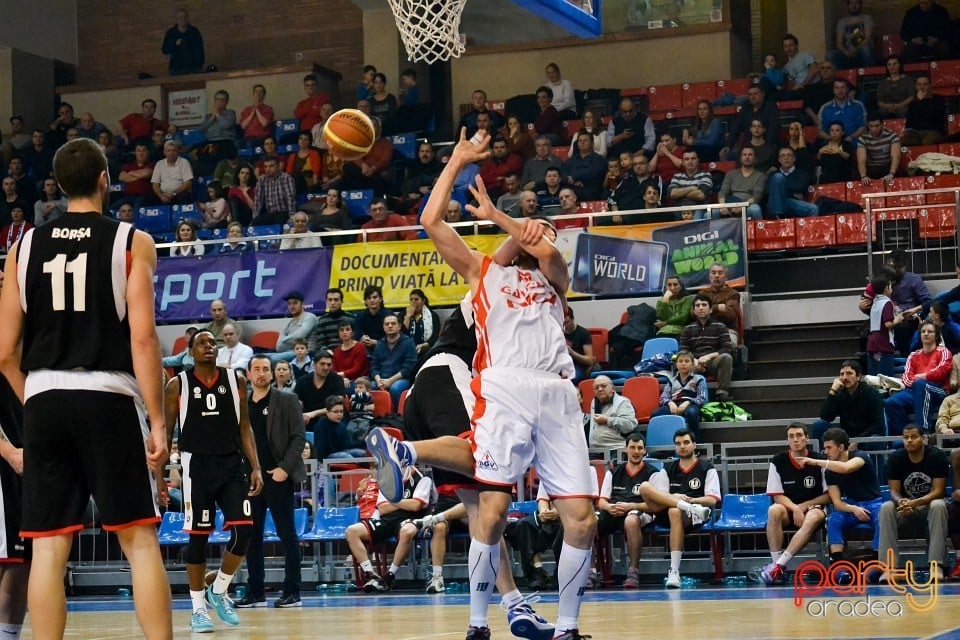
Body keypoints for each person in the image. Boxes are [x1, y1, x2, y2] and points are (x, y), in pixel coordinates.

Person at [368, 129, 596, 640]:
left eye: (543, 230)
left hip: (558, 393)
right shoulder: (482, 272)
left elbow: (550, 253)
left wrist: (504, 217)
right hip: (504, 388)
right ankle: (477, 623)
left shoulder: (556, 281)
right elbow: (430, 220)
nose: (539, 234)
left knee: (580, 518)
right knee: (490, 512)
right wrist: (457, 162)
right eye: (531, 229)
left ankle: (567, 629)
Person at [0, 138, 172, 639]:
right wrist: (157, 419)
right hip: (108, 395)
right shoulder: (131, 241)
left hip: (45, 400)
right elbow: (142, 337)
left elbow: (6, 351)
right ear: (104, 179)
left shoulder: (22, 247)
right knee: (139, 540)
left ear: (57, 184)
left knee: (49, 547)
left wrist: (32, 393)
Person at [371, 292, 557, 638]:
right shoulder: (489, 289)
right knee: (478, 457)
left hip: (423, 395)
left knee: (483, 512)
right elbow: (503, 257)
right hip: (446, 375)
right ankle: (403, 451)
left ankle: (502, 611)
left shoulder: (513, 333)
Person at [163, 330, 262, 633]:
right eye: (202, 344)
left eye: (212, 343)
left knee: (244, 530)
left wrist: (256, 466)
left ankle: (217, 591)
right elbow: (167, 434)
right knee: (198, 536)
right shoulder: (177, 384)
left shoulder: (237, 381)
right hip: (196, 465)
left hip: (231, 463)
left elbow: (245, 426)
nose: (209, 347)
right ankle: (197, 610)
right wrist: (161, 476)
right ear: (190, 352)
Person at [234, 354, 305, 608]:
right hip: (251, 479)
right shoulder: (241, 404)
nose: (262, 373)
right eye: (257, 369)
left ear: (273, 374)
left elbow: (299, 438)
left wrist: (284, 469)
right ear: (249, 375)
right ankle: (256, 592)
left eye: (266, 369)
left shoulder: (286, 399)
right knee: (251, 537)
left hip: (277, 477)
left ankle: (292, 591)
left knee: (287, 535)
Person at [639, 428, 718, 588]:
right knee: (645, 487)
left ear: (694, 445)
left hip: (693, 512)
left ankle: (673, 570)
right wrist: (675, 498)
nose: (682, 446)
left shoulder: (706, 467)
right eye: (678, 443)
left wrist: (691, 499)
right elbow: (661, 497)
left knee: (675, 511)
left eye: (686, 442)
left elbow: (712, 500)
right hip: (665, 510)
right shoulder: (667, 468)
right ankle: (680, 503)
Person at [753, 423, 830, 585]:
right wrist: (795, 508)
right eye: (791, 436)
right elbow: (777, 495)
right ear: (787, 441)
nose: (796, 440)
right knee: (774, 510)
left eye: (799, 435)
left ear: (806, 438)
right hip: (789, 509)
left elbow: (828, 496)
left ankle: (780, 565)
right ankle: (776, 567)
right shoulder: (778, 461)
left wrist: (804, 506)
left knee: (814, 515)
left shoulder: (820, 460)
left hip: (813, 509)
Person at [802, 427, 883, 576]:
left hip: (874, 503)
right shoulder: (829, 471)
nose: (825, 451)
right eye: (824, 447)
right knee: (833, 518)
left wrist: (815, 462)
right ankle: (838, 564)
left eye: (828, 447)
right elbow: (837, 503)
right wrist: (853, 509)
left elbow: (846, 468)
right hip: (852, 504)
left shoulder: (860, 456)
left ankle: (877, 561)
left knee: (882, 516)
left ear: (841, 447)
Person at [345, 466, 435, 593]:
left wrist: (393, 500)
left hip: (410, 519)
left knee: (407, 531)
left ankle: (389, 576)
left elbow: (416, 505)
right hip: (386, 520)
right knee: (352, 531)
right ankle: (370, 574)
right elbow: (382, 508)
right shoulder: (387, 479)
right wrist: (405, 503)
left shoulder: (423, 478)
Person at [878, 423, 948, 581]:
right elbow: (894, 491)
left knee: (939, 505)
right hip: (905, 508)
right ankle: (889, 568)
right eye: (906, 437)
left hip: (928, 506)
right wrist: (901, 501)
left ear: (923, 439)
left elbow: (939, 491)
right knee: (886, 508)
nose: (909, 440)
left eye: (914, 437)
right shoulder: (896, 458)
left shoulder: (936, 456)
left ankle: (935, 565)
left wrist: (914, 503)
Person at [595, 432, 656, 589]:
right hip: (614, 510)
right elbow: (602, 501)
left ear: (645, 451)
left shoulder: (653, 472)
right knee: (589, 522)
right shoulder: (613, 471)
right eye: (632, 447)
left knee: (631, 520)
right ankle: (591, 571)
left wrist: (631, 507)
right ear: (625, 449)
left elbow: (656, 506)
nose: (636, 451)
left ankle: (633, 571)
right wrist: (609, 507)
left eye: (639, 448)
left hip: (639, 511)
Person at [884, 321, 951, 434]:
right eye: (923, 331)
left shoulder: (943, 351)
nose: (926, 334)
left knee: (920, 385)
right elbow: (906, 379)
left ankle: (922, 432)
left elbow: (942, 372)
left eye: (930, 331)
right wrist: (921, 379)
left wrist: (923, 376)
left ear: (936, 335)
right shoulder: (913, 355)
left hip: (939, 391)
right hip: (916, 390)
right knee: (891, 402)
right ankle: (904, 437)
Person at [812, 359, 886, 442]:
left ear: (858, 377)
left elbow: (878, 425)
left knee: (875, 440)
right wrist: (832, 391)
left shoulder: (872, 393)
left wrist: (858, 441)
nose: (845, 377)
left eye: (849, 373)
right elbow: (826, 417)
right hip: (846, 438)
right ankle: (825, 454)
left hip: (866, 437)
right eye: (842, 374)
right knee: (819, 425)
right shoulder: (840, 394)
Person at [679, 295, 735, 402]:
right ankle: (687, 397)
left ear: (710, 310)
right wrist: (694, 361)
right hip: (695, 363)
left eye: (704, 305)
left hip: (713, 362)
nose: (700, 308)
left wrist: (708, 357)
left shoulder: (720, 326)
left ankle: (722, 392)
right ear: (694, 311)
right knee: (683, 363)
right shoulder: (687, 329)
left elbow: (727, 348)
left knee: (726, 357)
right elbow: (683, 350)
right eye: (697, 306)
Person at [652, 350, 708, 437]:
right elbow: (663, 398)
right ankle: (663, 440)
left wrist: (688, 402)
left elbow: (702, 398)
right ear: (676, 365)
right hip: (674, 404)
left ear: (693, 365)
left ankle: (696, 442)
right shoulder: (671, 380)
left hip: (691, 405)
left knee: (692, 413)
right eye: (680, 361)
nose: (683, 364)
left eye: (687, 361)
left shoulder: (698, 379)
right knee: (655, 414)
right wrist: (670, 403)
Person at [371, 314, 417, 409]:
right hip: (382, 379)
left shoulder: (408, 343)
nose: (390, 326)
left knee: (395, 388)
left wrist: (390, 381)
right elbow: (374, 366)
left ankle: (398, 415)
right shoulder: (379, 344)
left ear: (399, 326)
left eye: (393, 323)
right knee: (369, 386)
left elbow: (409, 368)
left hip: (402, 379)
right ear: (383, 327)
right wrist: (378, 380)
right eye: (387, 324)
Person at [294, 350, 346, 433]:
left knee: (323, 422)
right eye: (322, 364)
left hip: (330, 420)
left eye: (329, 365)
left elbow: (337, 407)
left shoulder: (337, 380)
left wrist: (313, 414)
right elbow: (297, 405)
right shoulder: (302, 381)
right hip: (307, 421)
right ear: (314, 365)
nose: (326, 367)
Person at [587, 375, 639, 452]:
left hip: (615, 449)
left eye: (603, 386)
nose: (600, 389)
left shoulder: (623, 402)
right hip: (595, 450)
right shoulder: (594, 402)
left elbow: (630, 425)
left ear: (612, 388)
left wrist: (607, 420)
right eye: (596, 387)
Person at [766, 147, 818, 218]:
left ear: (794, 159)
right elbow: (768, 191)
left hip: (792, 203)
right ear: (779, 160)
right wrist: (792, 193)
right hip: (775, 203)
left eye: (789, 155)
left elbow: (800, 187)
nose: (786, 158)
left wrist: (780, 187)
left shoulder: (802, 173)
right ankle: (778, 218)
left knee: (813, 209)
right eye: (783, 156)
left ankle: (808, 229)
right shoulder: (773, 174)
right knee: (778, 177)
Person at [700, 263, 742, 348]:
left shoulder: (733, 294)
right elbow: (693, 313)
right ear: (709, 276)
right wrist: (718, 307)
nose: (716, 276)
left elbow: (731, 315)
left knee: (729, 346)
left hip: (727, 330)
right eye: (713, 273)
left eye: (720, 273)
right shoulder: (702, 293)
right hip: (705, 329)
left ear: (726, 277)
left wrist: (706, 310)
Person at [717, 147, 765, 220]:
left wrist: (741, 206)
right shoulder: (731, 174)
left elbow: (757, 196)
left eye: (750, 155)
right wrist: (723, 206)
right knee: (711, 212)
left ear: (755, 158)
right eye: (744, 155)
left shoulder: (760, 176)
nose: (747, 157)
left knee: (755, 209)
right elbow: (723, 192)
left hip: (748, 206)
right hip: (731, 205)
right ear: (740, 158)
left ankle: (760, 231)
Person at [901, 74, 947, 147]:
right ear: (916, 87)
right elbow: (910, 120)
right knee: (900, 141)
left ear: (930, 86)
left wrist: (920, 101)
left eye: (925, 84)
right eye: (919, 84)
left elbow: (931, 115)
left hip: (934, 131)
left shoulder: (938, 99)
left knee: (927, 141)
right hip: (916, 133)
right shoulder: (912, 101)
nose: (922, 87)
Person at [273, 291, 318, 363]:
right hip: (288, 352)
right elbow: (278, 347)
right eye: (289, 304)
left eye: (295, 303)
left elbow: (299, 336)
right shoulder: (289, 323)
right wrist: (288, 341)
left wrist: (284, 340)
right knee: (256, 358)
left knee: (273, 359)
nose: (292, 306)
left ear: (302, 304)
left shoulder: (310, 317)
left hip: (305, 353)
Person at [829, 0, 876, 69]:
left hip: (862, 51)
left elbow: (867, 37)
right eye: (851, 3)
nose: (854, 6)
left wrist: (855, 49)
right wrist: (847, 53)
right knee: (830, 54)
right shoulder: (841, 22)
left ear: (860, 5)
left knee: (865, 48)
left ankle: (870, 76)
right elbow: (839, 43)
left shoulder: (867, 18)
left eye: (856, 3)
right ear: (848, 5)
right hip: (849, 53)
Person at [667, 149, 712, 220]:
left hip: (698, 208)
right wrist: (691, 188)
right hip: (679, 210)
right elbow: (672, 194)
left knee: (697, 214)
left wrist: (680, 193)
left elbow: (700, 195)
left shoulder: (705, 174)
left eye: (693, 158)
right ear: (683, 162)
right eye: (687, 159)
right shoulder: (677, 176)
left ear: (698, 160)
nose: (690, 161)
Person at [857, 116, 901, 185]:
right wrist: (863, 176)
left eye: (877, 126)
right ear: (868, 126)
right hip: (872, 168)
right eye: (871, 126)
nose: (874, 129)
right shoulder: (863, 139)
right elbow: (861, 160)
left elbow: (895, 157)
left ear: (882, 125)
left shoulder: (892, 136)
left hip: (888, 166)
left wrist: (891, 174)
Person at [161, 8, 204, 75]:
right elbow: (165, 50)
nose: (182, 19)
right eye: (180, 17)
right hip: (176, 70)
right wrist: (175, 44)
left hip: (194, 69)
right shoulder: (171, 33)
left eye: (184, 17)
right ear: (176, 19)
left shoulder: (194, 32)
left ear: (187, 18)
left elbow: (200, 49)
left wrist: (199, 65)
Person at [151, 140, 194, 205]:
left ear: (178, 152)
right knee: (150, 199)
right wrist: (161, 195)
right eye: (169, 151)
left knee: (184, 197)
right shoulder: (159, 164)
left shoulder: (184, 162)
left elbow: (187, 183)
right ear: (164, 152)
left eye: (174, 150)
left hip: (179, 194)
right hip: (163, 195)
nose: (171, 153)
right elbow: (155, 184)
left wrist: (173, 194)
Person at [313, 288, 356, 353]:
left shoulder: (351, 318)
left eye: (336, 300)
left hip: (348, 351)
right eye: (330, 300)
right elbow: (321, 344)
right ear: (326, 302)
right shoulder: (322, 320)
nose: (332, 303)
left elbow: (355, 340)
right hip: (328, 355)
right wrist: (329, 353)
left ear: (341, 301)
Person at [563, 306, 597, 383]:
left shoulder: (583, 333)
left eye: (567, 322)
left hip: (579, 365)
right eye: (562, 323)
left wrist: (571, 352)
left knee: (573, 377)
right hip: (563, 365)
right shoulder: (558, 333)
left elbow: (589, 360)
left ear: (572, 319)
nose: (565, 326)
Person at [332, 320, 369, 389]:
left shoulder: (359, 347)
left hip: (359, 380)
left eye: (347, 329)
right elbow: (334, 369)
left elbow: (357, 369)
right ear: (339, 333)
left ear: (352, 332)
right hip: (342, 380)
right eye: (341, 330)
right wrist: (342, 378)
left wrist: (341, 375)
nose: (344, 332)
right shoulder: (336, 350)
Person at [402, 289, 440, 355]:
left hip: (427, 350)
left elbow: (435, 337)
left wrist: (424, 345)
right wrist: (408, 317)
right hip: (406, 350)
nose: (413, 302)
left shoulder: (432, 316)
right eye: (411, 299)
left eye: (416, 299)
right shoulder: (403, 315)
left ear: (423, 301)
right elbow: (401, 334)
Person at [875, 54, 914, 119]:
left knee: (904, 111)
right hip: (887, 107)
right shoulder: (882, 82)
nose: (892, 67)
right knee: (881, 112)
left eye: (895, 64)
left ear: (899, 65)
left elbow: (911, 97)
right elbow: (879, 102)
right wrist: (889, 106)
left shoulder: (908, 80)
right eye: (889, 64)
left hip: (903, 106)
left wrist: (899, 105)